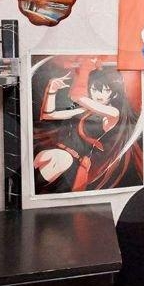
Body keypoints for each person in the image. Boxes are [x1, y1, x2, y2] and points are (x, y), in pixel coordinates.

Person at [33, 63, 128, 192]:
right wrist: (51, 89)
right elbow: (48, 115)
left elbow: (77, 97)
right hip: (53, 151)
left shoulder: (113, 113)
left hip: (69, 161)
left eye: (106, 90)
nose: (99, 94)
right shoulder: (84, 110)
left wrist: (83, 70)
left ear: (115, 94)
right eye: (95, 89)